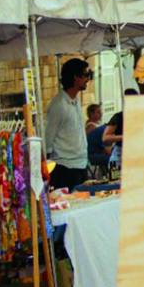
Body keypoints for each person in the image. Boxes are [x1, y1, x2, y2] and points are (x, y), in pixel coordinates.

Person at [45, 59, 93, 190]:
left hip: (80, 164)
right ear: (75, 77)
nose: (88, 79)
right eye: (85, 75)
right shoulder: (58, 105)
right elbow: (48, 138)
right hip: (65, 168)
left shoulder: (75, 100)